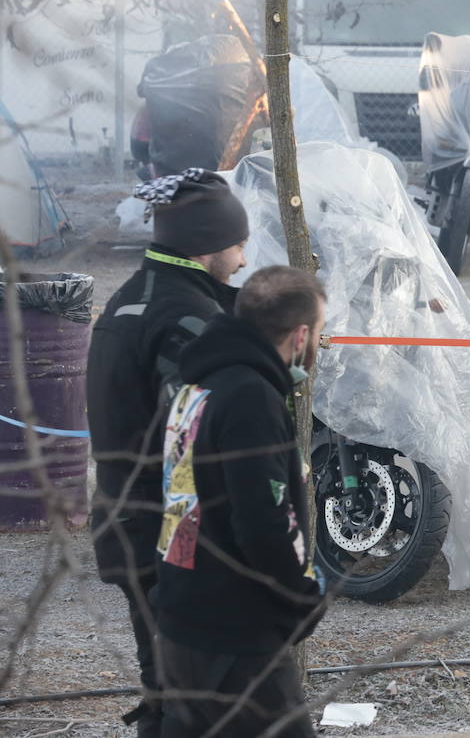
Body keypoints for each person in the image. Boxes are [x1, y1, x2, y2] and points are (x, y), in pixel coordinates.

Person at [85, 168, 249, 737]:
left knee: (168, 684)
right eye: (238, 243)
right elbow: (197, 442)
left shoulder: (132, 299)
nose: (245, 258)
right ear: (208, 247)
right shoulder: (187, 319)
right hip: (171, 533)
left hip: (126, 516)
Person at [155, 265, 327, 738]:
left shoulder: (195, 384)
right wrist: (302, 598)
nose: (315, 349)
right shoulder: (251, 398)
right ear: (300, 335)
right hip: (235, 634)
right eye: (318, 334)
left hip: (182, 617)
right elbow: (263, 521)